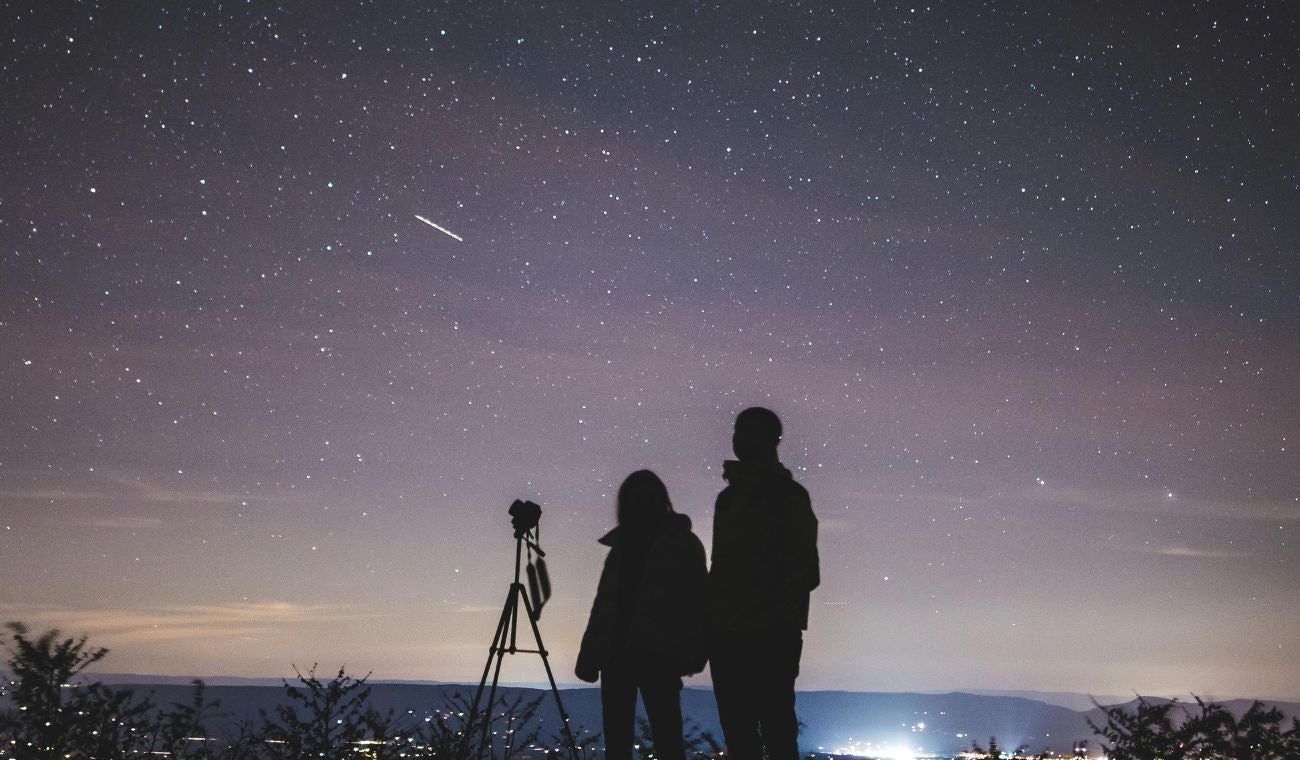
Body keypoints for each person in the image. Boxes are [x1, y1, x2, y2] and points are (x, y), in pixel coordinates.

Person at [709, 407, 819, 760]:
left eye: (749, 433)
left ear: (773, 440)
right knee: (744, 732)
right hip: (732, 633)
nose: (740, 440)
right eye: (738, 432)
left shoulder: (789, 497)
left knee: (774, 729)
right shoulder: (729, 499)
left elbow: (806, 569)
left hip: (769, 632)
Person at [575, 470, 708, 760]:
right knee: (624, 741)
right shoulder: (622, 548)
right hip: (619, 654)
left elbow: (696, 602)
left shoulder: (681, 544)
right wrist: (589, 655)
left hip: (657, 653)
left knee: (666, 737)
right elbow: (604, 605)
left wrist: (693, 652)